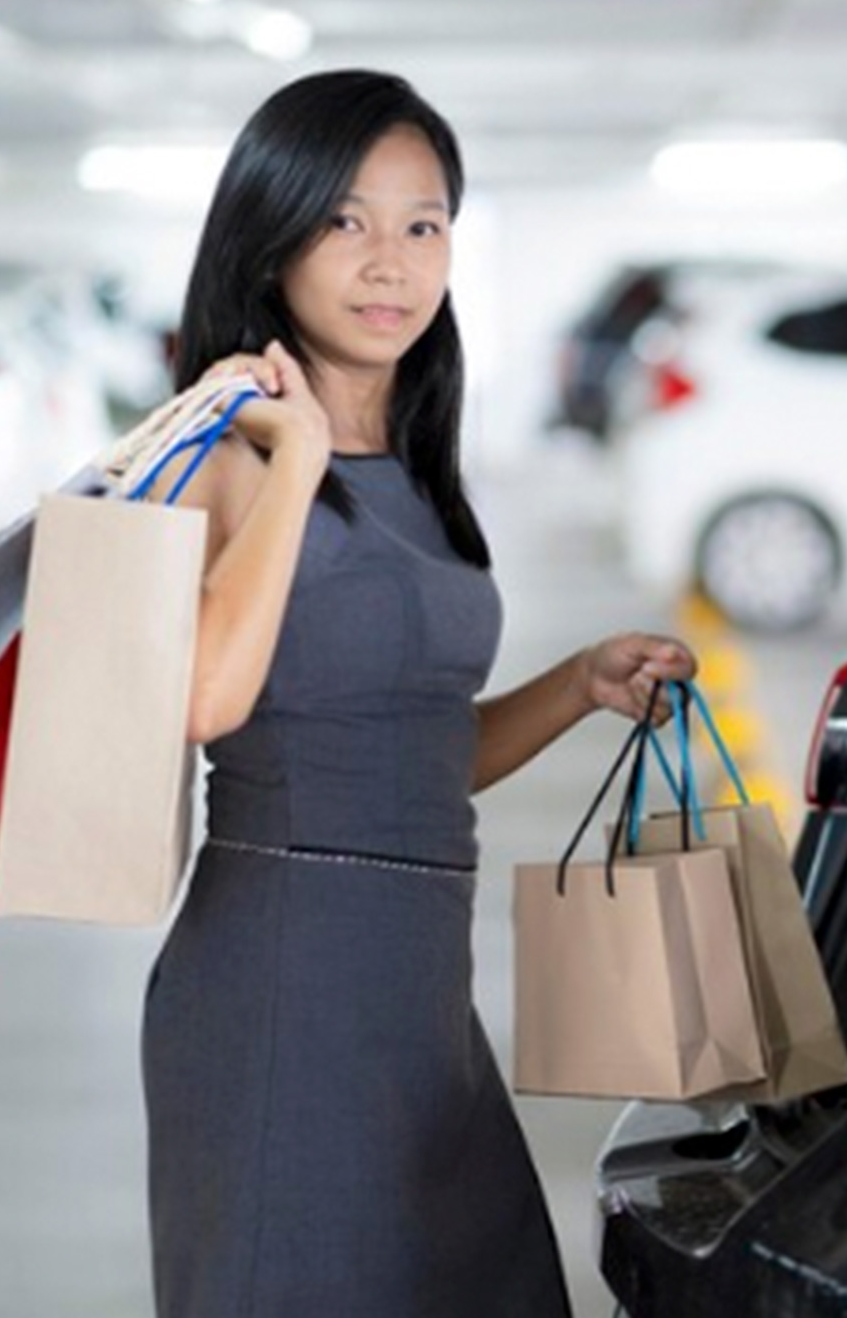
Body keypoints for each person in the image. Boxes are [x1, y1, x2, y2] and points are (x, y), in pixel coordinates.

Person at [141, 68, 695, 1317]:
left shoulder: (419, 468)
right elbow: (199, 703)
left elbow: (411, 752)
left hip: (420, 997)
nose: (387, 261)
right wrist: (287, 466)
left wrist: (576, 685)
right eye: (344, 221)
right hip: (281, 973)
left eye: (422, 223)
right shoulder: (218, 458)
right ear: (269, 235)